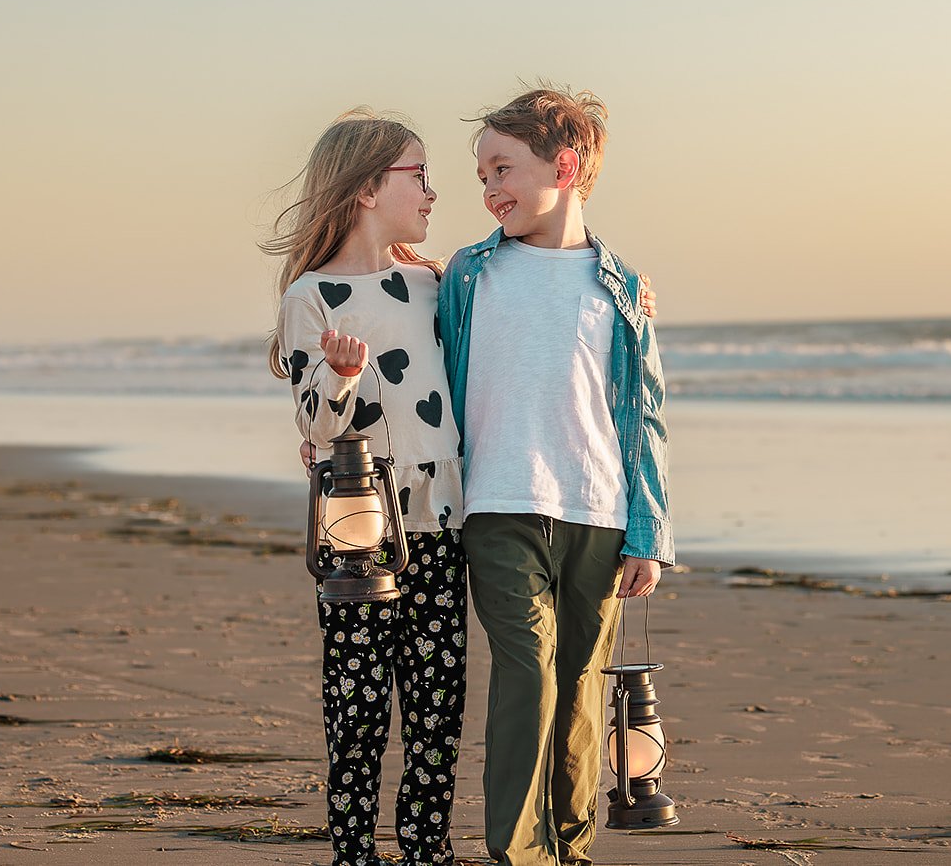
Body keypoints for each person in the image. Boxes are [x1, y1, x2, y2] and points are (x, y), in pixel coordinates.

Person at [437, 86, 673, 866]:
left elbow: (644, 420)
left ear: (564, 166)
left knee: (579, 689)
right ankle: (517, 852)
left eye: (502, 166)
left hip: (598, 515)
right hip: (499, 507)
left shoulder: (621, 289)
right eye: (481, 173)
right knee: (527, 674)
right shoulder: (469, 276)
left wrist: (648, 532)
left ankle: (571, 848)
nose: (488, 187)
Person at [264, 110, 468, 866]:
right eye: (418, 174)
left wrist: (627, 310)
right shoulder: (309, 297)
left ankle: (425, 847)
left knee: (437, 704)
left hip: (442, 525)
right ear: (365, 188)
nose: (433, 191)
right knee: (355, 709)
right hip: (358, 530)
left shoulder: (433, 283)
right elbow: (317, 425)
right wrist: (343, 373)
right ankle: (352, 852)